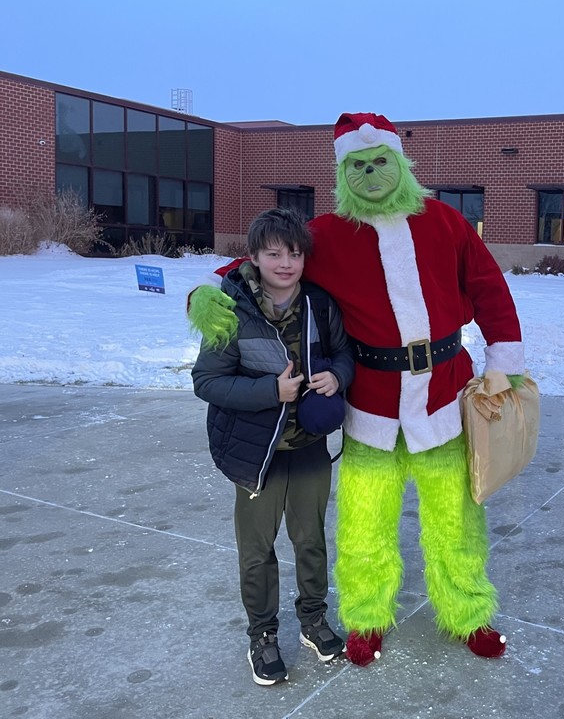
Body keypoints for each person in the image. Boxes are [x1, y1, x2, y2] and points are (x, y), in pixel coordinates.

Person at [189, 112, 525, 667]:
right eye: (358, 165)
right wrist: (209, 290)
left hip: (442, 396)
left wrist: (503, 361)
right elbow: (264, 263)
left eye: (380, 161)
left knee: (456, 520)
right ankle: (367, 617)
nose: (371, 173)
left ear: (401, 163)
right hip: (371, 404)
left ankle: (468, 612)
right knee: (365, 523)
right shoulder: (327, 234)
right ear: (343, 173)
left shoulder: (445, 221)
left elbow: (489, 287)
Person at [191, 207, 354, 685]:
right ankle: (262, 634)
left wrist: (337, 375)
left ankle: (313, 619)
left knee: (311, 540)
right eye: (274, 254)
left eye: (295, 254)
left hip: (308, 447)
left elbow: (344, 353)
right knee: (257, 549)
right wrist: (271, 391)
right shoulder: (229, 309)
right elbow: (206, 381)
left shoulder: (319, 304)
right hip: (255, 453)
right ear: (255, 256)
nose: (286, 264)